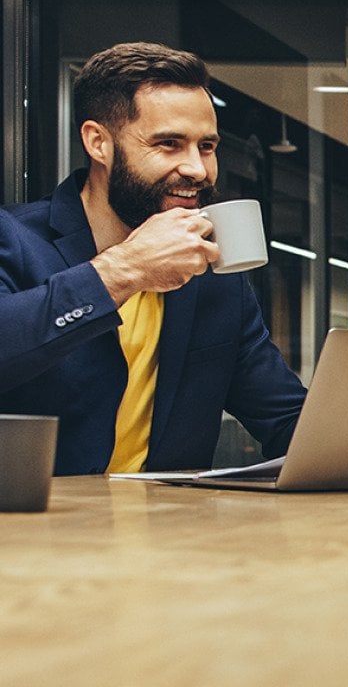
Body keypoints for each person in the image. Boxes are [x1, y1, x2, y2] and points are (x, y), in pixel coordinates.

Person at [0, 42, 306, 476]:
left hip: (167, 533)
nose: (197, 169)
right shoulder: (13, 239)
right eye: (169, 144)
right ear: (98, 142)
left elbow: (286, 419)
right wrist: (123, 270)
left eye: (206, 146)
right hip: (34, 533)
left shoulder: (214, 273)